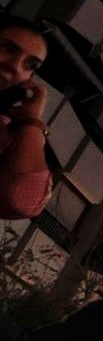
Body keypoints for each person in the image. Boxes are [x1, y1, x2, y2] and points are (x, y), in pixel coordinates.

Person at [0, 14, 55, 221]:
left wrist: (31, 121)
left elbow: (23, 202)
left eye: (30, 65)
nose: (15, 65)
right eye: (6, 48)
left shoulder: (5, 132)